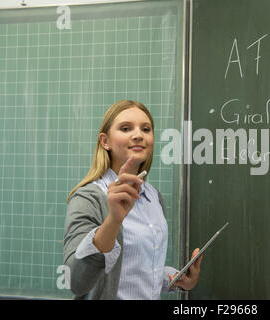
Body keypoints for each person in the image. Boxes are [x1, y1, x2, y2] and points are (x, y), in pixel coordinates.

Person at [64, 99, 202, 299]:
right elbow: (76, 281)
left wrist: (175, 279)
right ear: (105, 141)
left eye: (146, 129)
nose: (138, 135)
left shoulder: (154, 197)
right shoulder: (88, 198)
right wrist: (114, 220)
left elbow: (136, 268)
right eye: (126, 128)